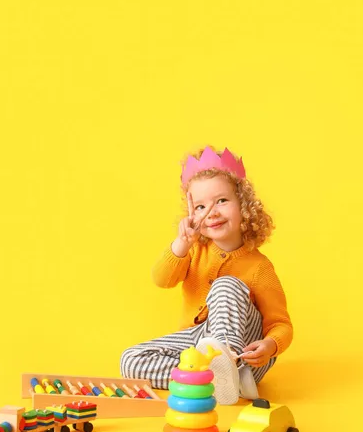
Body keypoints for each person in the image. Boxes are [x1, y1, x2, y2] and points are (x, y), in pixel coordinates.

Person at [120, 145, 293, 405]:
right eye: (200, 206)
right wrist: (182, 244)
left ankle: (228, 361)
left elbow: (281, 324)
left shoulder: (259, 267)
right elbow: (161, 279)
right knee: (130, 360)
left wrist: (270, 346)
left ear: (244, 205)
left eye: (221, 201)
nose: (211, 212)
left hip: (246, 355)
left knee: (226, 285)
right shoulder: (194, 250)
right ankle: (212, 378)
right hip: (198, 340)